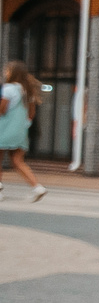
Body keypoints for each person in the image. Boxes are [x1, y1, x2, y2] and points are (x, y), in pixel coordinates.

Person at [0, 61, 42, 202]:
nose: (5, 72)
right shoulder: (27, 90)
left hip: (4, 129)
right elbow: (31, 113)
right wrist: (24, 125)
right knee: (17, 160)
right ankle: (37, 187)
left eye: (7, 70)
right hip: (20, 131)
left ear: (13, 73)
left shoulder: (8, 88)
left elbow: (2, 110)